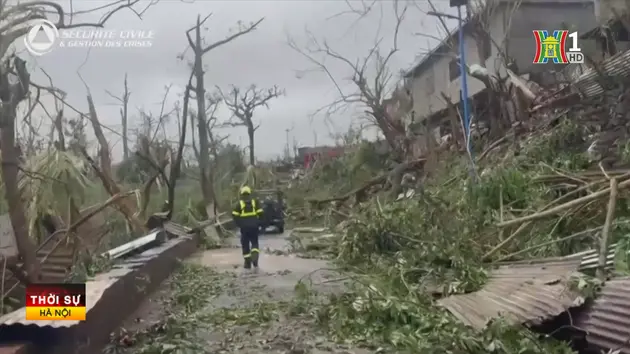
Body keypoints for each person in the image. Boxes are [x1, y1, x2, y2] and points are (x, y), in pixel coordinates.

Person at [232, 186, 263, 270]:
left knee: (245, 244)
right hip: (254, 227)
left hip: (244, 228)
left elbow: (234, 216)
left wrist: (240, 224)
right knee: (255, 243)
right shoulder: (255, 203)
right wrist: (259, 223)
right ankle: (255, 259)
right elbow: (261, 214)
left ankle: (248, 263)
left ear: (242, 194)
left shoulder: (239, 204)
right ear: (250, 194)